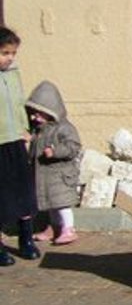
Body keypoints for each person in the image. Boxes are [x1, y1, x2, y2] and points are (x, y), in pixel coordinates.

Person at [0, 27, 39, 265]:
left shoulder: (13, 74)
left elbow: (18, 102)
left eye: (13, 53)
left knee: (23, 192)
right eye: (5, 53)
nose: (10, 57)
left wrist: (25, 129)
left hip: (15, 140)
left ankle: (26, 239)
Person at [27, 80, 82, 246]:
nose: (34, 117)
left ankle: (68, 228)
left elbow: (73, 147)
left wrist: (55, 152)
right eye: (33, 113)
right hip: (45, 176)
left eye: (38, 114)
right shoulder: (40, 130)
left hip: (59, 175)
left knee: (62, 205)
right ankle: (54, 227)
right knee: (51, 205)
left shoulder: (64, 128)